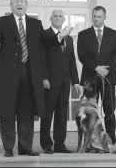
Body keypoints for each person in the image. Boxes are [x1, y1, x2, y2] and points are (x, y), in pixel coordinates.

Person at [0, 0, 72, 157]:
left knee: (27, 112)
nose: (19, 4)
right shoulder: (2, 22)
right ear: (11, 6)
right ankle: (8, 147)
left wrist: (59, 36)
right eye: (16, 1)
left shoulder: (35, 24)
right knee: (7, 111)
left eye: (22, 1)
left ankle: (25, 148)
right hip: (8, 75)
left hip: (30, 75)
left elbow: (46, 39)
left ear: (27, 5)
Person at [77, 6, 116, 145]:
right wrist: (96, 68)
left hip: (108, 78)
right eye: (94, 16)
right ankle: (90, 143)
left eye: (99, 16)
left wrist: (106, 70)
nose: (96, 19)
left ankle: (110, 142)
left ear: (105, 17)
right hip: (89, 78)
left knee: (109, 110)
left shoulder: (114, 34)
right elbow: (81, 55)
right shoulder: (83, 34)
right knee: (89, 111)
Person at [40, 10, 81, 154]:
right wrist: (44, 77)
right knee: (47, 114)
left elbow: (71, 62)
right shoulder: (45, 35)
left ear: (63, 19)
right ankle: (46, 144)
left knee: (62, 114)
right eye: (55, 16)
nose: (58, 18)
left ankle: (59, 144)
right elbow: (41, 58)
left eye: (60, 16)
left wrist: (76, 82)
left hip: (65, 82)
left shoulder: (69, 39)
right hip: (50, 82)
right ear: (51, 19)